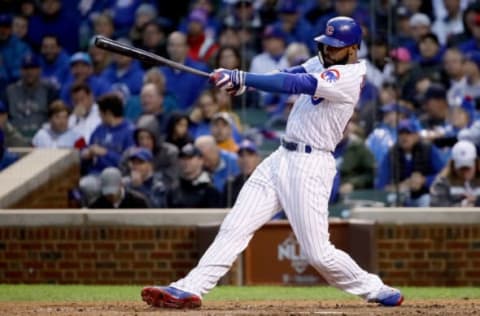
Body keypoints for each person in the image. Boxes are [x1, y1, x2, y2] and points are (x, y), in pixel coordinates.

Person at [141, 17, 404, 309]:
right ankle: (190, 288)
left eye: (335, 47)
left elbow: (295, 83)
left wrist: (243, 76)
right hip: (280, 158)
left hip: (311, 163)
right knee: (235, 226)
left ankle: (374, 287)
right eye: (326, 45)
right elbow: (290, 72)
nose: (328, 51)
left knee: (318, 254)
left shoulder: (350, 76)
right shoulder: (324, 62)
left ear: (353, 49)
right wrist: (243, 85)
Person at [431, 140, 480, 207]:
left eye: (468, 168)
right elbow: (436, 205)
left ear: (476, 163)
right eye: (461, 168)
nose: (465, 172)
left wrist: (476, 202)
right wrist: (462, 205)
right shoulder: (442, 182)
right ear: (453, 165)